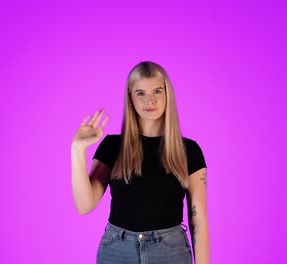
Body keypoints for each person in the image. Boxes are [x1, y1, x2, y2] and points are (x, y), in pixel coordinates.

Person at [71, 61, 209, 263]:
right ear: (131, 98)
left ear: (167, 94)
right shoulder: (112, 146)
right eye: (140, 93)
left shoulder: (189, 151)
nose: (149, 101)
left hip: (171, 251)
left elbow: (199, 220)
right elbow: (84, 205)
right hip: (117, 250)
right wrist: (77, 149)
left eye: (157, 92)